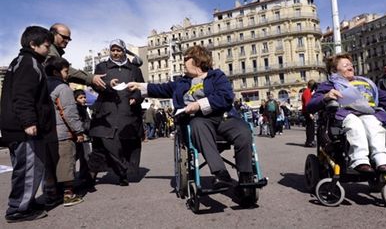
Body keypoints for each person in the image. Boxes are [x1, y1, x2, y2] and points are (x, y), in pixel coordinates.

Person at [126, 45, 253, 188]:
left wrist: (199, 104)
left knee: (243, 131)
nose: (183, 62)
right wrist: (139, 86)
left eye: (186, 59)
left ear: (197, 60)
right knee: (197, 124)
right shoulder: (182, 82)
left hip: (223, 117)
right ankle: (221, 173)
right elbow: (161, 88)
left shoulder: (217, 76)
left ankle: (246, 176)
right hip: (199, 121)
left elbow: (225, 96)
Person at [307, 53, 386, 173]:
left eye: (351, 65)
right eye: (346, 65)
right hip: (345, 116)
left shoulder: (366, 84)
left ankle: (382, 160)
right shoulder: (329, 85)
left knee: (373, 124)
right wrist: (325, 97)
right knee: (354, 124)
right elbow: (310, 106)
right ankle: (359, 160)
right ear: (334, 70)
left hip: (368, 114)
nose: (351, 67)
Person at [0, 26, 54, 222]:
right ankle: (18, 209)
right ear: (33, 44)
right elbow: (22, 95)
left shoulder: (21, 62)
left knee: (26, 168)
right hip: (24, 129)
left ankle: (26, 202)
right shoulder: (29, 63)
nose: (49, 50)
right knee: (28, 169)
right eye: (46, 46)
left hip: (17, 128)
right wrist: (29, 121)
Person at [87, 39, 144, 186]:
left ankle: (124, 173)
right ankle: (116, 170)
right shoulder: (102, 66)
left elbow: (141, 88)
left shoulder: (134, 69)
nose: (116, 53)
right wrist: (107, 85)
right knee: (106, 143)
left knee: (126, 143)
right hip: (107, 111)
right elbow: (96, 85)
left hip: (128, 111)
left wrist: (135, 98)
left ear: (124, 51)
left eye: (118, 50)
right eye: (113, 50)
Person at [46, 57, 85, 207]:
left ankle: (51, 195)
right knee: (66, 163)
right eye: (66, 71)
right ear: (56, 72)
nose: (68, 75)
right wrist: (79, 131)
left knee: (50, 166)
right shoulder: (63, 88)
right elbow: (69, 112)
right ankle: (69, 195)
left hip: (47, 134)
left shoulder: (43, 87)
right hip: (63, 132)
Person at [46, 23, 106, 89]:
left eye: (69, 39)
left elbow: (69, 76)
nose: (67, 41)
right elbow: (64, 70)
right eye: (64, 37)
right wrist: (92, 78)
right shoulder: (48, 50)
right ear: (52, 34)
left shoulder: (55, 51)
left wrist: (92, 80)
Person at [73, 89, 93, 188]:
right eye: (81, 98)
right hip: (80, 136)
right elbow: (81, 122)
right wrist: (88, 126)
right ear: (75, 99)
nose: (84, 99)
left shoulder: (83, 107)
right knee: (82, 157)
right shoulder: (77, 109)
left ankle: (84, 177)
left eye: (84, 97)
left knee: (84, 157)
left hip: (85, 136)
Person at [302, 80, 317, 147]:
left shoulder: (308, 92)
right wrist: (310, 113)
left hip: (307, 111)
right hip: (308, 111)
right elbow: (307, 103)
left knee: (310, 127)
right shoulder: (307, 92)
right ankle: (310, 142)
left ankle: (309, 141)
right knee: (310, 127)